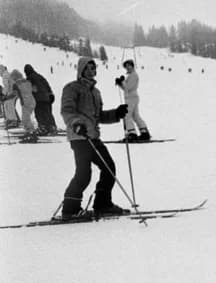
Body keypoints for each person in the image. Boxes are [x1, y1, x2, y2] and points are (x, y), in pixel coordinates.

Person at [61, 57, 129, 219]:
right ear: (81, 70)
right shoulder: (72, 88)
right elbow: (67, 111)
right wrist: (77, 124)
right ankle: (70, 210)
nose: (92, 71)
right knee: (83, 174)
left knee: (109, 168)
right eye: (89, 68)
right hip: (79, 137)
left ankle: (103, 204)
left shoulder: (95, 92)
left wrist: (116, 113)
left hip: (93, 136)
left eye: (94, 68)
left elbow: (98, 117)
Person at [115, 60, 150, 142]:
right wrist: (120, 83)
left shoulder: (133, 75)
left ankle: (132, 134)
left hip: (131, 98)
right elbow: (125, 88)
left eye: (129, 65)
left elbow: (128, 87)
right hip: (132, 97)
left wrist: (122, 82)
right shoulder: (131, 75)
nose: (127, 67)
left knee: (127, 115)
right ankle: (144, 132)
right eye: (126, 66)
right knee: (135, 116)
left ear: (132, 66)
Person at [24, 64, 58, 134]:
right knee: (47, 113)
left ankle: (43, 127)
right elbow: (47, 85)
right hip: (47, 98)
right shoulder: (40, 76)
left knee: (39, 113)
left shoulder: (29, 78)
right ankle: (52, 126)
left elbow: (30, 89)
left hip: (38, 99)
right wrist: (50, 93)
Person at [6, 69, 38, 142]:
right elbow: (35, 89)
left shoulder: (16, 84)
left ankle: (31, 133)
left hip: (25, 103)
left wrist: (5, 98)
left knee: (25, 119)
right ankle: (29, 132)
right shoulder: (28, 82)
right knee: (26, 118)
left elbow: (14, 94)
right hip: (32, 101)